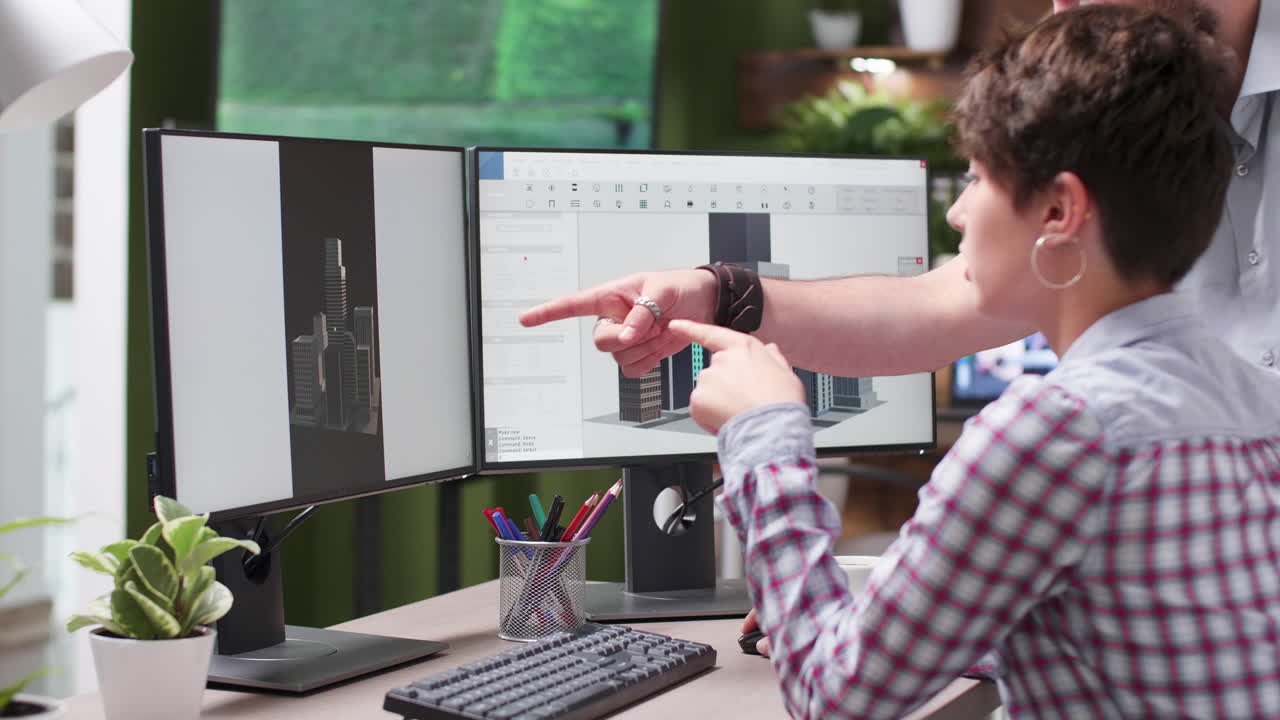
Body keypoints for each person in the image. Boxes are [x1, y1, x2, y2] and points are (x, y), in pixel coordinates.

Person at [531, 3, 1280, 717]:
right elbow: (1139, 631)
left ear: (1059, 213)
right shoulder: (1250, 402)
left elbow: (838, 696)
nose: (957, 214)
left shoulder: (1051, 434)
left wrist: (764, 437)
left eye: (980, 180)